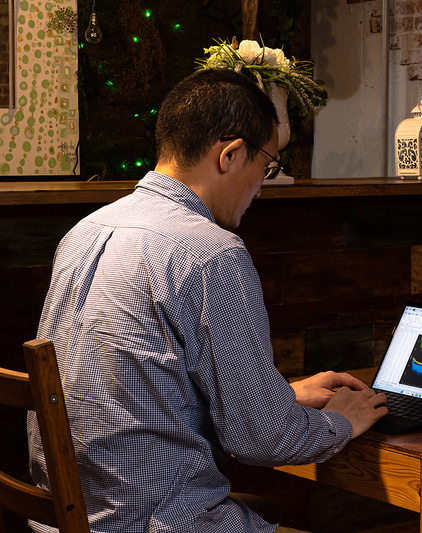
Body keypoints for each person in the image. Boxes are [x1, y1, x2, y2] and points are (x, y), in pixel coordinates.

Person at [28, 68, 387, 533]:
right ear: (231, 154)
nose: (263, 186)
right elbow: (263, 440)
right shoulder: (210, 253)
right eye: (267, 166)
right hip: (154, 522)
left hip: (69, 520)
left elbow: (137, 390)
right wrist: (341, 420)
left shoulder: (84, 233)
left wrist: (282, 396)